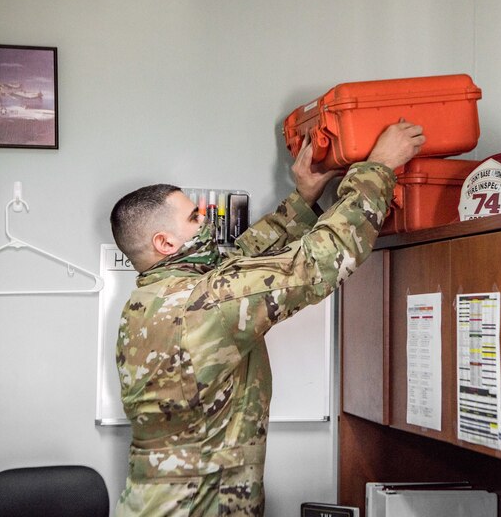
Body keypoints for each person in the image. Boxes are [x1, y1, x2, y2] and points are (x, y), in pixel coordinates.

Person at [109, 121, 425, 516]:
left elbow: (239, 263)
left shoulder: (153, 299)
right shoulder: (205, 302)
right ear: (165, 243)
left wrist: (303, 198)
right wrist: (379, 166)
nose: (205, 220)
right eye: (193, 217)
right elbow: (319, 261)